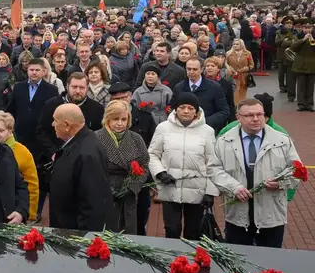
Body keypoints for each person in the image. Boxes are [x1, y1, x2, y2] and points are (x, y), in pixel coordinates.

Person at [209, 98, 301, 248]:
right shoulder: (224, 141)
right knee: (239, 260)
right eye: (250, 115)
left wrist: (280, 183)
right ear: (238, 117)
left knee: (270, 262)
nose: (256, 119)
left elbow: (297, 170)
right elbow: (214, 169)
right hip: (237, 217)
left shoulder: (282, 140)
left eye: (260, 114)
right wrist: (234, 187)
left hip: (271, 216)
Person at [147, 92, 218, 241]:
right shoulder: (163, 128)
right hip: (170, 187)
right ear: (176, 109)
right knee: (172, 230)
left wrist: (210, 192)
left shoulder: (207, 131)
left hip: (197, 190)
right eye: (182, 107)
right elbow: (152, 154)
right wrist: (160, 173)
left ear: (196, 111)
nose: (186, 111)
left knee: (193, 233)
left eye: (191, 108)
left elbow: (213, 162)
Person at [47, 103, 110, 232]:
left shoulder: (87, 154)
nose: (53, 124)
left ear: (66, 125)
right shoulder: (80, 143)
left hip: (74, 236)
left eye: (55, 120)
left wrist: (83, 239)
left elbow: (92, 202)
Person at [94, 100, 150, 234]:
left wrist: (132, 187)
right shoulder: (95, 138)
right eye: (115, 119)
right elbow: (91, 169)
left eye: (124, 119)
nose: (120, 123)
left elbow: (144, 165)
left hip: (128, 197)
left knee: (127, 234)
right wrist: (107, 189)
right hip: (104, 196)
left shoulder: (136, 139)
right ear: (107, 119)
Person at [5, 58, 58, 165]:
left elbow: (53, 114)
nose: (34, 72)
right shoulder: (19, 87)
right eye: (31, 70)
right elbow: (11, 109)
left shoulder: (52, 90)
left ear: (44, 72)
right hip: (21, 136)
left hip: (40, 139)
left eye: (37, 70)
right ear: (27, 71)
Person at [0, 110, 39, 221]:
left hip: (16, 211)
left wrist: (28, 214)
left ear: (10, 131)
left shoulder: (23, 152)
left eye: (0, 130)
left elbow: (32, 185)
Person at [172, 58, 231, 133]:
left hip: (206, 129)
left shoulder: (215, 87)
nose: (191, 72)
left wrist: (205, 121)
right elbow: (173, 109)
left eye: (195, 69)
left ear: (202, 69)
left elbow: (224, 111)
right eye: (189, 69)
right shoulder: (179, 87)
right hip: (183, 129)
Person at [291, 19, 315, 111]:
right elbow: (293, 47)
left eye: (309, 28)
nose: (307, 30)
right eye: (305, 28)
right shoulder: (297, 36)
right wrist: (303, 39)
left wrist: (313, 41)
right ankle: (301, 104)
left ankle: (309, 104)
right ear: (302, 28)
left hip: (312, 65)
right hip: (300, 64)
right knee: (301, 86)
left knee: (310, 86)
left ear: (312, 28)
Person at [225, 38, 254, 103]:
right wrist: (230, 69)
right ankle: (235, 108)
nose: (235, 45)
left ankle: (241, 107)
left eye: (237, 44)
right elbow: (225, 64)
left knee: (242, 93)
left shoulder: (248, 53)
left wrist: (246, 68)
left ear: (241, 45)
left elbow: (251, 65)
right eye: (234, 44)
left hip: (244, 76)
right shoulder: (228, 53)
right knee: (234, 94)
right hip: (233, 76)